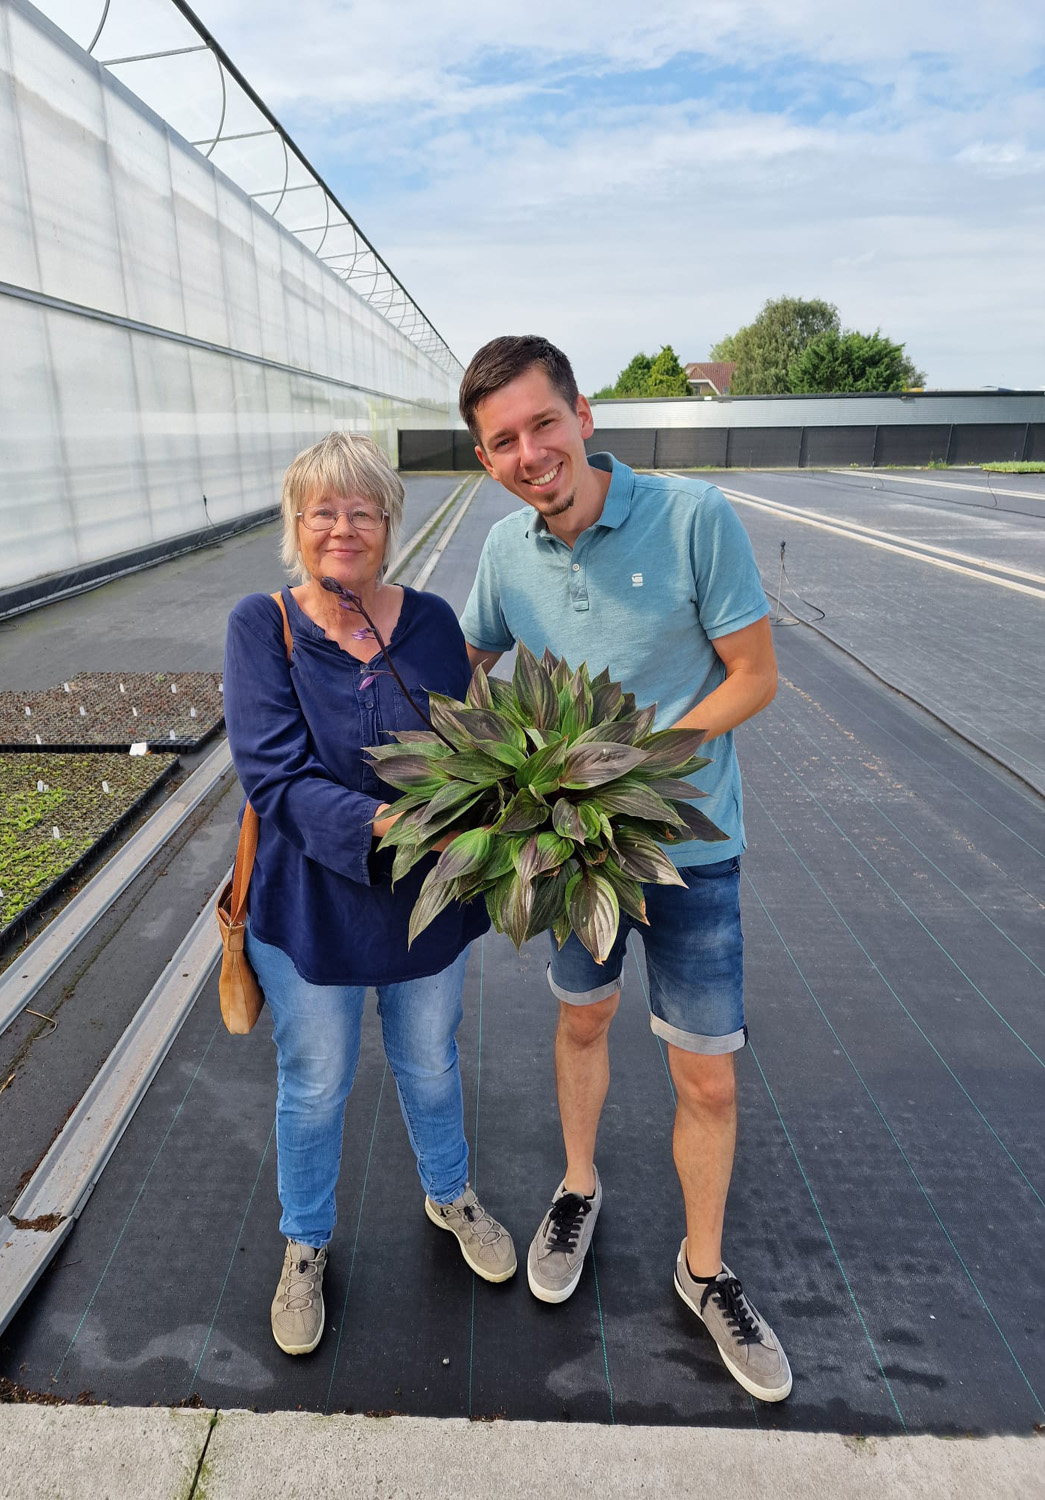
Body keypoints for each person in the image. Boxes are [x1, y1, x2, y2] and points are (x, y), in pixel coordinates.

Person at [457, 335, 791, 1402]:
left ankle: (705, 1270)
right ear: (485, 459)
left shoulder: (693, 518)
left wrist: (644, 761)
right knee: (583, 1021)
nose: (530, 452)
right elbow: (462, 663)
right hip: (574, 859)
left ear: (584, 417)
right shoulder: (506, 552)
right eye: (504, 441)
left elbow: (753, 675)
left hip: (691, 850)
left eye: (543, 423)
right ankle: (577, 1188)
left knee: (707, 1071)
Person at [223, 431, 515, 1358]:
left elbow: (472, 742)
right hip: (310, 907)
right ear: (295, 524)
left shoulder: (429, 623)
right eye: (323, 510)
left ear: (390, 523)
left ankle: (449, 1195)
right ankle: (305, 1243)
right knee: (315, 1083)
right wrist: (401, 825)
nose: (342, 527)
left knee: (429, 1061)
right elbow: (273, 775)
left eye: (362, 510)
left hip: (423, 908)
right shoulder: (262, 625)